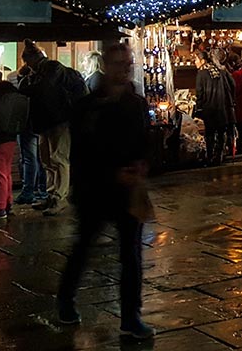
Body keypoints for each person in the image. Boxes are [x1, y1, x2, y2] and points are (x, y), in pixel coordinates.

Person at [56, 42, 154, 340]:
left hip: (129, 192)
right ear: (106, 66)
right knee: (84, 247)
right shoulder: (87, 106)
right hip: (96, 191)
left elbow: (145, 141)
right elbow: (84, 152)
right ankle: (65, 299)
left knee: (131, 255)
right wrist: (114, 172)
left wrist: (142, 165)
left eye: (128, 64)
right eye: (119, 64)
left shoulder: (136, 102)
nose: (125, 69)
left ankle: (130, 317)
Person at [18, 40, 87, 216]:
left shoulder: (52, 68)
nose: (27, 64)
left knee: (58, 158)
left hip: (59, 120)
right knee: (47, 159)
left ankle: (59, 197)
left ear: (34, 58)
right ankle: (51, 194)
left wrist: (26, 81)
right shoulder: (38, 72)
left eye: (27, 60)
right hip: (46, 121)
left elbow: (42, 89)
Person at [0, 70, 28, 220]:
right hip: (11, 135)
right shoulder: (11, 91)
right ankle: (7, 203)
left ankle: (0, 207)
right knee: (6, 172)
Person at [193, 51, 235, 166]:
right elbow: (232, 85)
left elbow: (200, 94)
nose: (195, 62)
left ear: (202, 61)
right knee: (221, 133)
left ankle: (210, 157)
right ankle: (219, 156)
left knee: (210, 134)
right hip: (221, 108)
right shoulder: (220, 72)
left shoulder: (201, 74)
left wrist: (199, 108)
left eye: (196, 60)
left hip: (209, 109)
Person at [13, 63, 45, 206]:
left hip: (27, 125)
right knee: (41, 159)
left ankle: (28, 192)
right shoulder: (43, 83)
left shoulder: (24, 84)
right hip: (41, 124)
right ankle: (43, 190)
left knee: (29, 159)